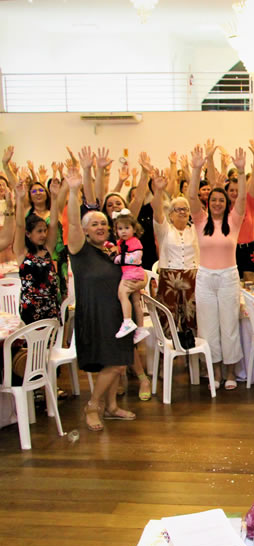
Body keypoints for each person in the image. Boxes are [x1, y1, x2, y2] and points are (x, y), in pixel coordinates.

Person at [66, 160, 135, 432]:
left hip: (116, 314)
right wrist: (74, 191)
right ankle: (92, 406)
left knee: (118, 363)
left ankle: (111, 406)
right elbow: (73, 221)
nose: (100, 227)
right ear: (85, 230)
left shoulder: (111, 251)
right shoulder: (79, 250)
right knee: (114, 363)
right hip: (95, 313)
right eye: (94, 224)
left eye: (104, 224)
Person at [188, 144, 247, 390]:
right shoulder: (200, 220)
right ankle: (214, 371)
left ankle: (231, 372)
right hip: (205, 278)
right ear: (208, 202)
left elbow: (242, 198)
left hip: (228, 278)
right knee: (208, 327)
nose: (217, 203)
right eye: (213, 200)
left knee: (229, 326)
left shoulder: (234, 220)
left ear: (226, 203)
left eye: (221, 200)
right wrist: (197, 168)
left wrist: (241, 171)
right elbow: (191, 197)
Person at [150, 170, 199, 339]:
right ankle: (167, 350)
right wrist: (158, 190)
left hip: (192, 277)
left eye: (185, 209)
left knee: (192, 318)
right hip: (169, 278)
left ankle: (192, 350)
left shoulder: (195, 230)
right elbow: (157, 210)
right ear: (170, 214)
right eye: (178, 209)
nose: (182, 212)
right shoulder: (164, 230)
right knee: (168, 317)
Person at [12, 178, 60, 324]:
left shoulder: (47, 249)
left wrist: (54, 197)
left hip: (50, 306)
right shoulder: (22, 252)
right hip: (30, 309)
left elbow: (53, 223)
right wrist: (20, 199)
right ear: (28, 234)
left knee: (52, 337)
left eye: (44, 231)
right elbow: (19, 225)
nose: (43, 235)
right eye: (39, 231)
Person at [112, 210, 149, 342]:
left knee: (122, 294)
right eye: (120, 228)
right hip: (133, 272)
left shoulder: (134, 242)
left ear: (134, 229)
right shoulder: (121, 242)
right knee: (135, 301)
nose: (123, 231)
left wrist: (118, 259)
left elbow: (136, 257)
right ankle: (141, 328)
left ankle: (127, 321)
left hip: (131, 272)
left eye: (127, 228)